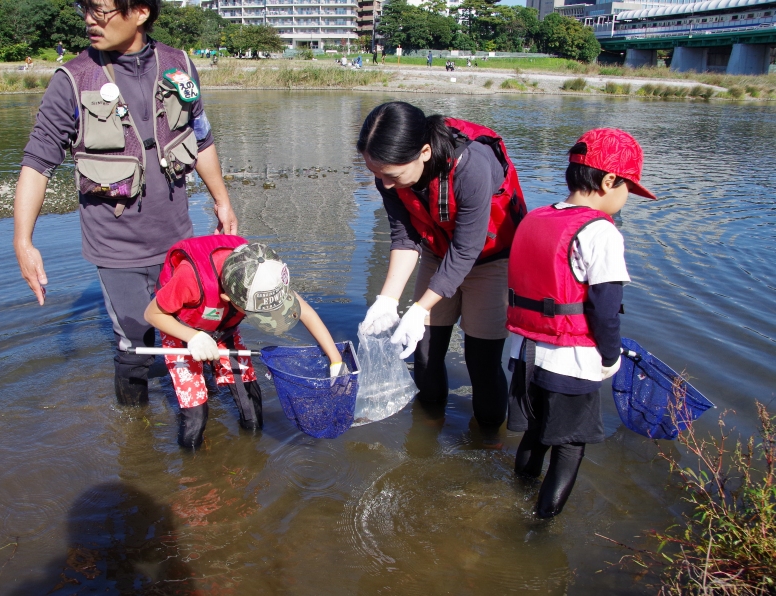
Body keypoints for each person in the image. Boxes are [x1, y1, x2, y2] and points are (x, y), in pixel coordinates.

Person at [14, 0, 237, 408]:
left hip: (178, 240)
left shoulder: (180, 64)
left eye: (100, 11)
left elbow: (201, 138)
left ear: (140, 12)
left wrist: (223, 202)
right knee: (137, 344)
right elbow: (37, 161)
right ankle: (136, 436)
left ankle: (200, 427)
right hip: (117, 247)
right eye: (86, 9)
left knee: (195, 332)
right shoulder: (72, 79)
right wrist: (23, 240)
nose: (89, 21)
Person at [506, 128, 656, 518]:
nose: (627, 200)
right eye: (628, 190)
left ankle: (514, 496)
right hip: (568, 361)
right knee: (570, 448)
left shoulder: (535, 217)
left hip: (522, 354)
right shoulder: (600, 232)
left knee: (535, 435)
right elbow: (606, 310)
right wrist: (610, 359)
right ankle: (538, 532)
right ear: (609, 181)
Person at [357, 101, 527, 445]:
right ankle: (426, 434)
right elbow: (405, 236)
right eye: (377, 175)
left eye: (392, 175)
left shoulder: (472, 166)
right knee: (425, 351)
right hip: (439, 251)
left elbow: (467, 248)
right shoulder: (387, 177)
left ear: (422, 152)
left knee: (482, 361)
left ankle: (488, 441)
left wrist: (419, 309)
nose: (386, 185)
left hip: (491, 259)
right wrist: (387, 300)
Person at [144, 238, 345, 448]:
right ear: (228, 298)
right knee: (195, 415)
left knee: (251, 406)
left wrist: (336, 360)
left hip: (224, 328)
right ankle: (193, 471)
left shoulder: (262, 273)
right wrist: (193, 337)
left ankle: (251, 454)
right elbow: (152, 314)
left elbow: (307, 312)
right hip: (180, 328)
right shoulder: (190, 278)